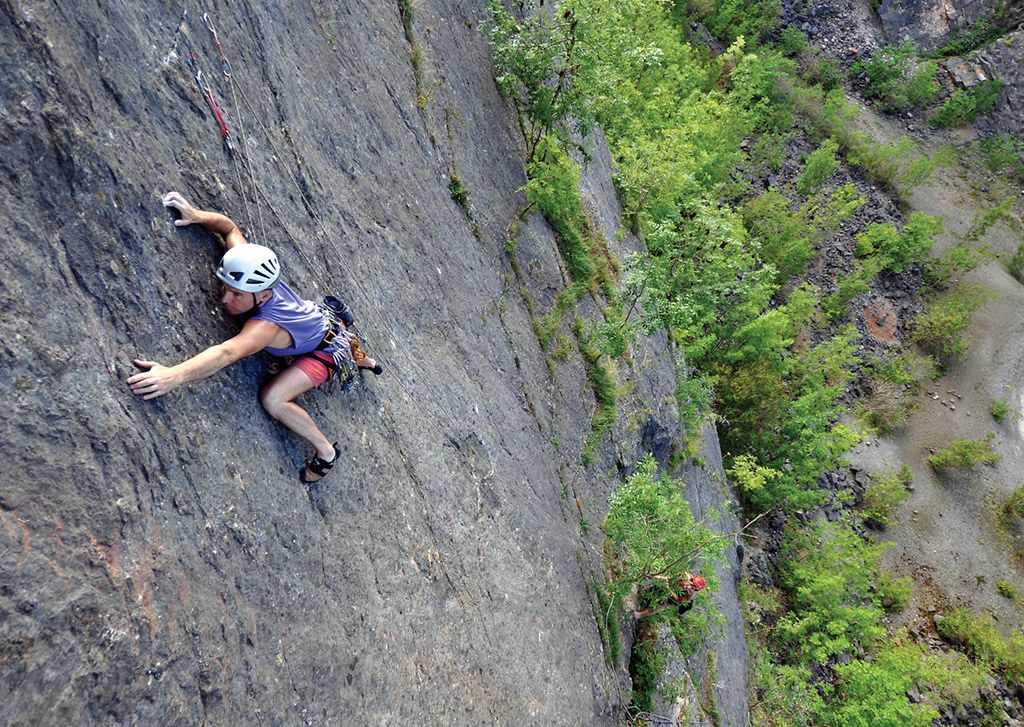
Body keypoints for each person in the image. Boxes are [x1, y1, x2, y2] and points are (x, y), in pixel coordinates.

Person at [128, 191, 382, 483]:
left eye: (236, 295)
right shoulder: (253, 270)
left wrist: (174, 375)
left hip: (322, 352)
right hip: (323, 325)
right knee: (341, 344)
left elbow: (227, 352)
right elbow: (229, 229)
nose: (225, 299)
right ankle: (367, 362)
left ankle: (326, 452)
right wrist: (197, 216)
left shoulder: (265, 327)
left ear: (263, 295)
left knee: (273, 399)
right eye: (225, 288)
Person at [633, 571, 706, 619]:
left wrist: (669, 590)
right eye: (690, 585)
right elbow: (670, 578)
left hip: (677, 596)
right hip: (674, 585)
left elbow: (676, 599)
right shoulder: (684, 575)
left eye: (692, 589)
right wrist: (667, 582)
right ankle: (643, 577)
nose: (688, 588)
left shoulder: (689, 596)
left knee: (662, 605)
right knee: (660, 578)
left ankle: (641, 614)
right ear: (689, 580)